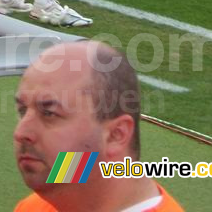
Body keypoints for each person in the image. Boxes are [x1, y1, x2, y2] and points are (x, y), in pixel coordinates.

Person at [13, 40, 185, 212]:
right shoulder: (36, 207)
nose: (21, 133)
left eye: (49, 114)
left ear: (115, 135)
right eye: (22, 111)